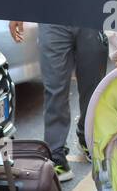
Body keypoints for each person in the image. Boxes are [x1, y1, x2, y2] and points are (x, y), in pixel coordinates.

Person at [7, 20, 107, 181]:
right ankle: (55, 153)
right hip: (51, 17)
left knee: (93, 88)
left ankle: (86, 134)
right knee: (55, 89)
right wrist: (17, 13)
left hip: (89, 14)